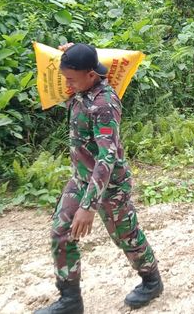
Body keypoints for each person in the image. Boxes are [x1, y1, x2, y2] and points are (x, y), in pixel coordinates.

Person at [35, 43, 162, 313]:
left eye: (71, 78)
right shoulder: (81, 88)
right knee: (61, 232)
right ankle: (70, 300)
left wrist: (88, 206)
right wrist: (71, 51)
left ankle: (152, 281)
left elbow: (108, 157)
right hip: (81, 179)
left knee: (126, 236)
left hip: (109, 185)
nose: (66, 83)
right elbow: (84, 57)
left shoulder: (104, 103)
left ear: (91, 75)